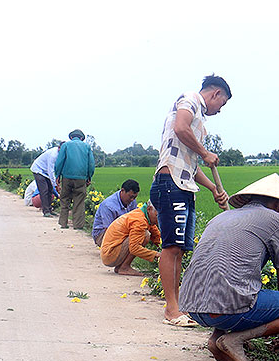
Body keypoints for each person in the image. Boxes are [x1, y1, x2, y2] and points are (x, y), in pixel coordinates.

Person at [180, 174, 279, 361]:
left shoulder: (222, 217)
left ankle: (216, 340)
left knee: (231, 282)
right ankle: (235, 339)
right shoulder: (277, 220)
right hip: (226, 311)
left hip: (193, 306)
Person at [150, 75, 231, 326]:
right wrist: (205, 152)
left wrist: (212, 189)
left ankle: (178, 307)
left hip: (184, 184)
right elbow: (180, 128)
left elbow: (192, 165)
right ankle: (171, 310)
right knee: (171, 247)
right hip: (170, 183)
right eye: (223, 104)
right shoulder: (190, 100)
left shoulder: (200, 123)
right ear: (215, 94)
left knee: (181, 249)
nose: (220, 110)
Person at [100, 203, 161, 276]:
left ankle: (121, 267)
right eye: (157, 216)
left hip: (110, 253)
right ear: (149, 209)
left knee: (144, 234)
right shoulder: (139, 220)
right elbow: (134, 248)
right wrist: (157, 255)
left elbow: (157, 236)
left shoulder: (145, 216)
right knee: (145, 235)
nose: (159, 220)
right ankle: (124, 267)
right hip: (110, 255)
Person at [54, 129, 95, 230]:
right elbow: (91, 164)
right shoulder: (87, 147)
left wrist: (57, 175)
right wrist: (89, 176)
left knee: (64, 199)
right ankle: (78, 225)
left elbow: (59, 162)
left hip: (67, 177)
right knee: (79, 201)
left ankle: (63, 223)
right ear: (81, 138)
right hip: (81, 178)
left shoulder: (66, 145)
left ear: (71, 137)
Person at [92, 180, 140, 246]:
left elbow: (135, 218)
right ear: (122, 190)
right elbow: (109, 230)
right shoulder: (109, 205)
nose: (132, 200)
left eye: (134, 197)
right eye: (130, 196)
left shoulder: (132, 201)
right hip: (103, 234)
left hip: (122, 230)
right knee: (130, 240)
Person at [29, 145, 59, 218]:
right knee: (44, 190)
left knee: (50, 190)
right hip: (38, 170)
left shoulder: (61, 153)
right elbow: (51, 170)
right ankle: (46, 211)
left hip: (45, 172)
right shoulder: (53, 155)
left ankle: (49, 209)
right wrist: (55, 184)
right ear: (59, 148)